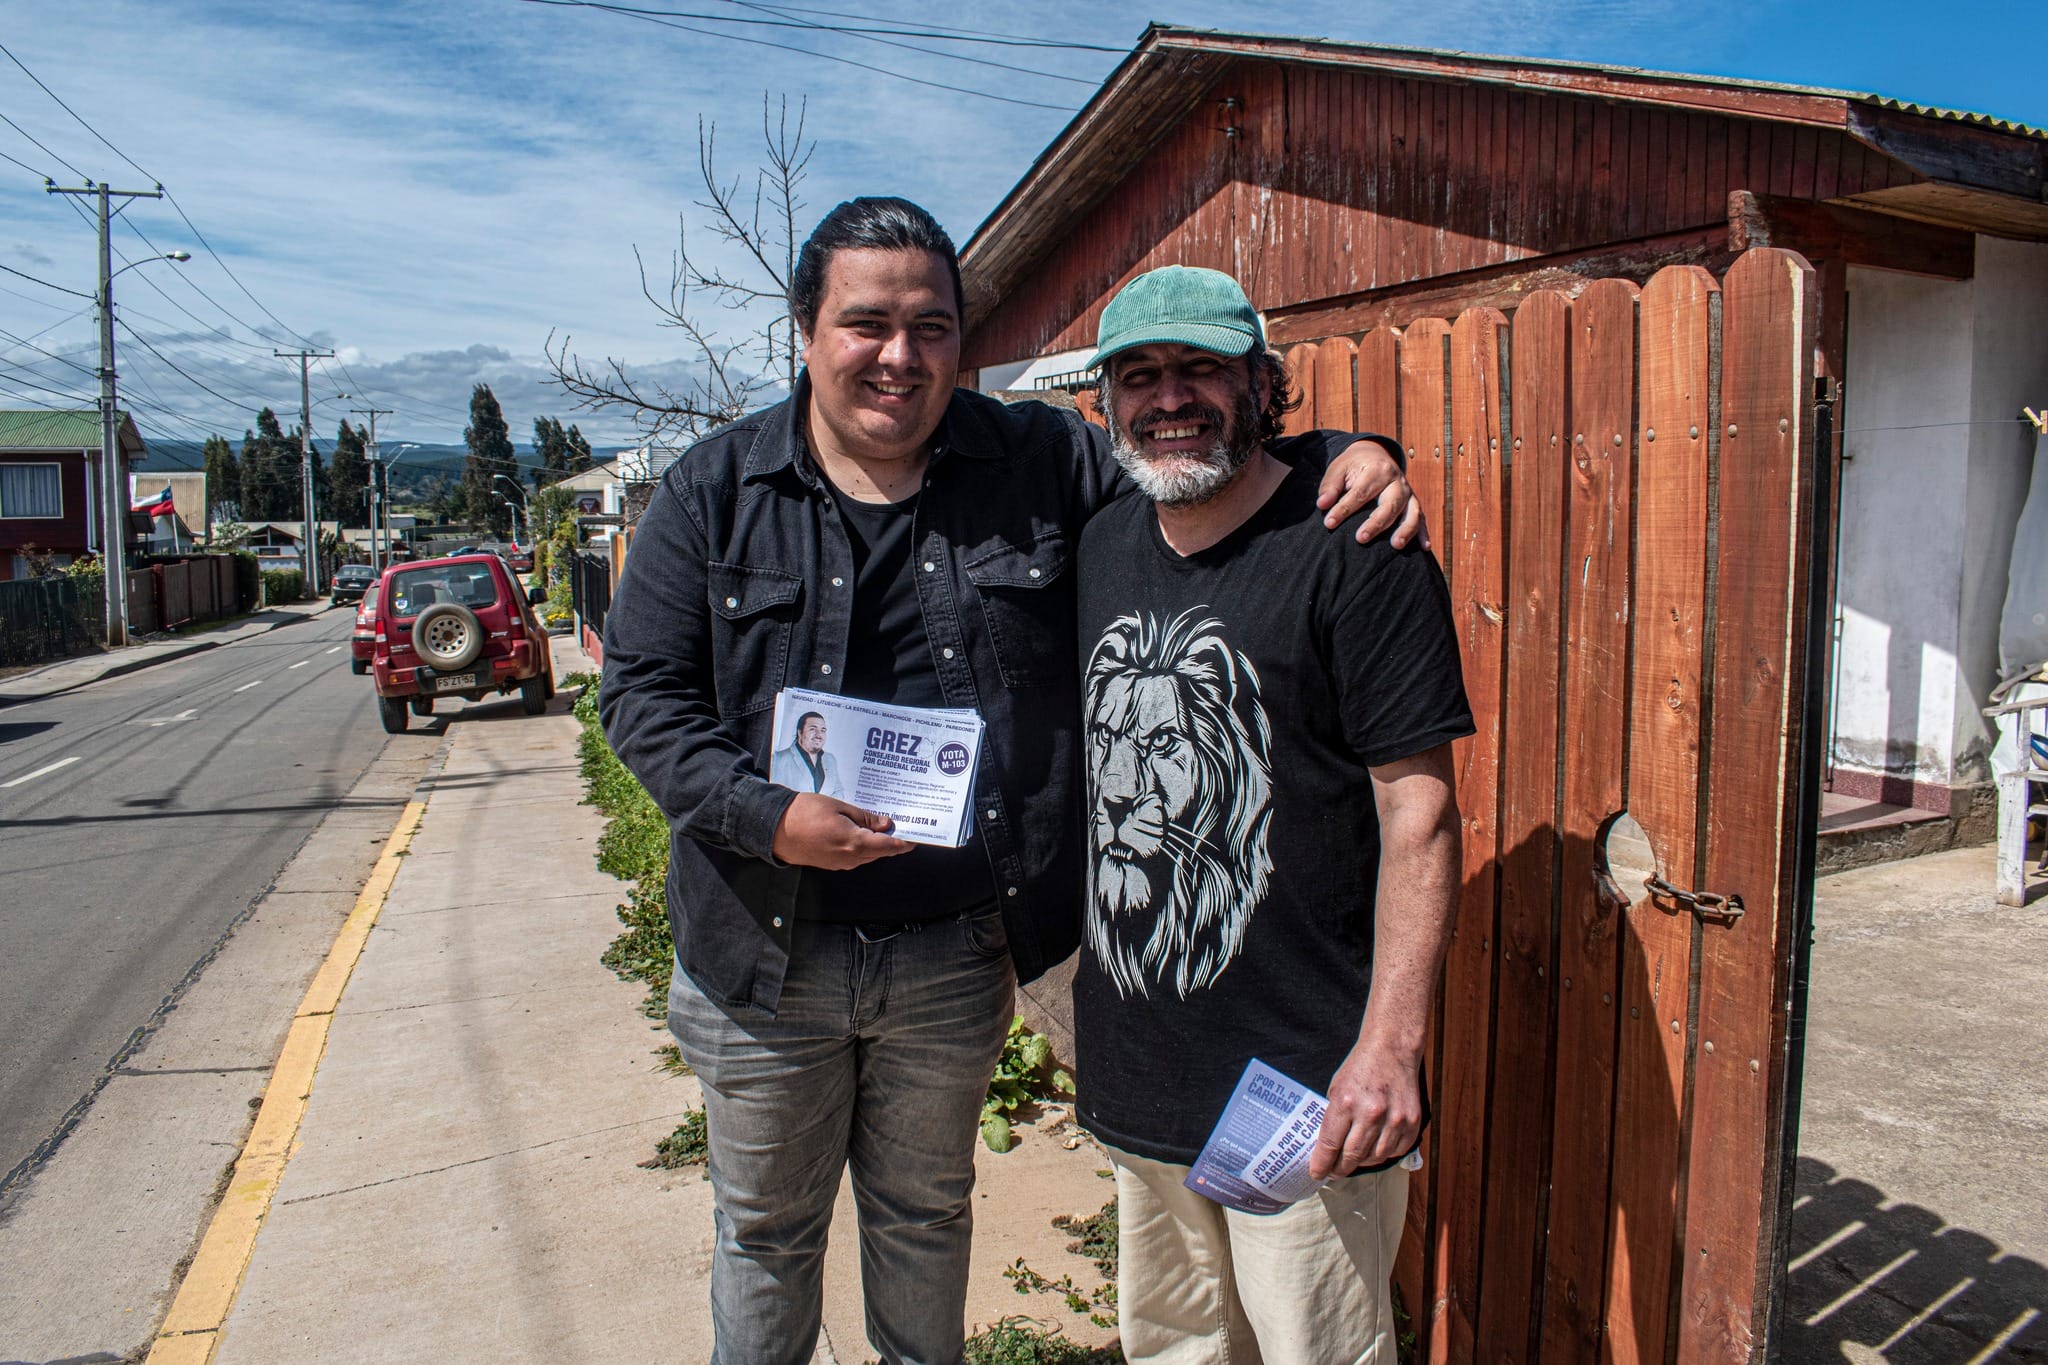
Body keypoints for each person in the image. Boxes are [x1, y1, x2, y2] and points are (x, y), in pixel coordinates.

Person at [598, 198, 1419, 1365]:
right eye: (866, 323)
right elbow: (636, 695)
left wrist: (1351, 454)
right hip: (759, 947)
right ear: (805, 332)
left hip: (947, 953)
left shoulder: (1040, 460)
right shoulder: (713, 492)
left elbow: (1197, 446)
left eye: (930, 326)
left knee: (926, 1217)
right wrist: (766, 818)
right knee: (764, 1233)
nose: (899, 355)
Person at [1072, 265, 1473, 1365]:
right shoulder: (1101, 542)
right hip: (1140, 1072)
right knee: (1171, 1352)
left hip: (1304, 1091)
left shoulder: (1357, 552)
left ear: (1262, 381)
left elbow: (1420, 820)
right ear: (1102, 401)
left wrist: (1389, 1050)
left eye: (1199, 367)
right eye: (1139, 375)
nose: (1168, 399)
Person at [769, 710, 843, 797]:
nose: (819, 735)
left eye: (823, 730)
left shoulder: (830, 759)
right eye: (812, 729)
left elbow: (838, 791)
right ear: (800, 733)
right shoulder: (779, 759)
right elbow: (775, 796)